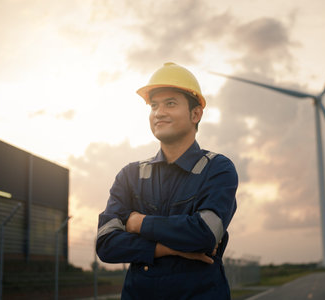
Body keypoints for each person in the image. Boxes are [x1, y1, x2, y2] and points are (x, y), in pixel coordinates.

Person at [96, 62, 238, 299]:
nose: (159, 112)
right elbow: (106, 244)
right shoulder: (130, 175)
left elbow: (204, 235)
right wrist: (168, 248)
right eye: (154, 106)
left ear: (196, 114)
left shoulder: (218, 168)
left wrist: (138, 223)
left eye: (170, 103)